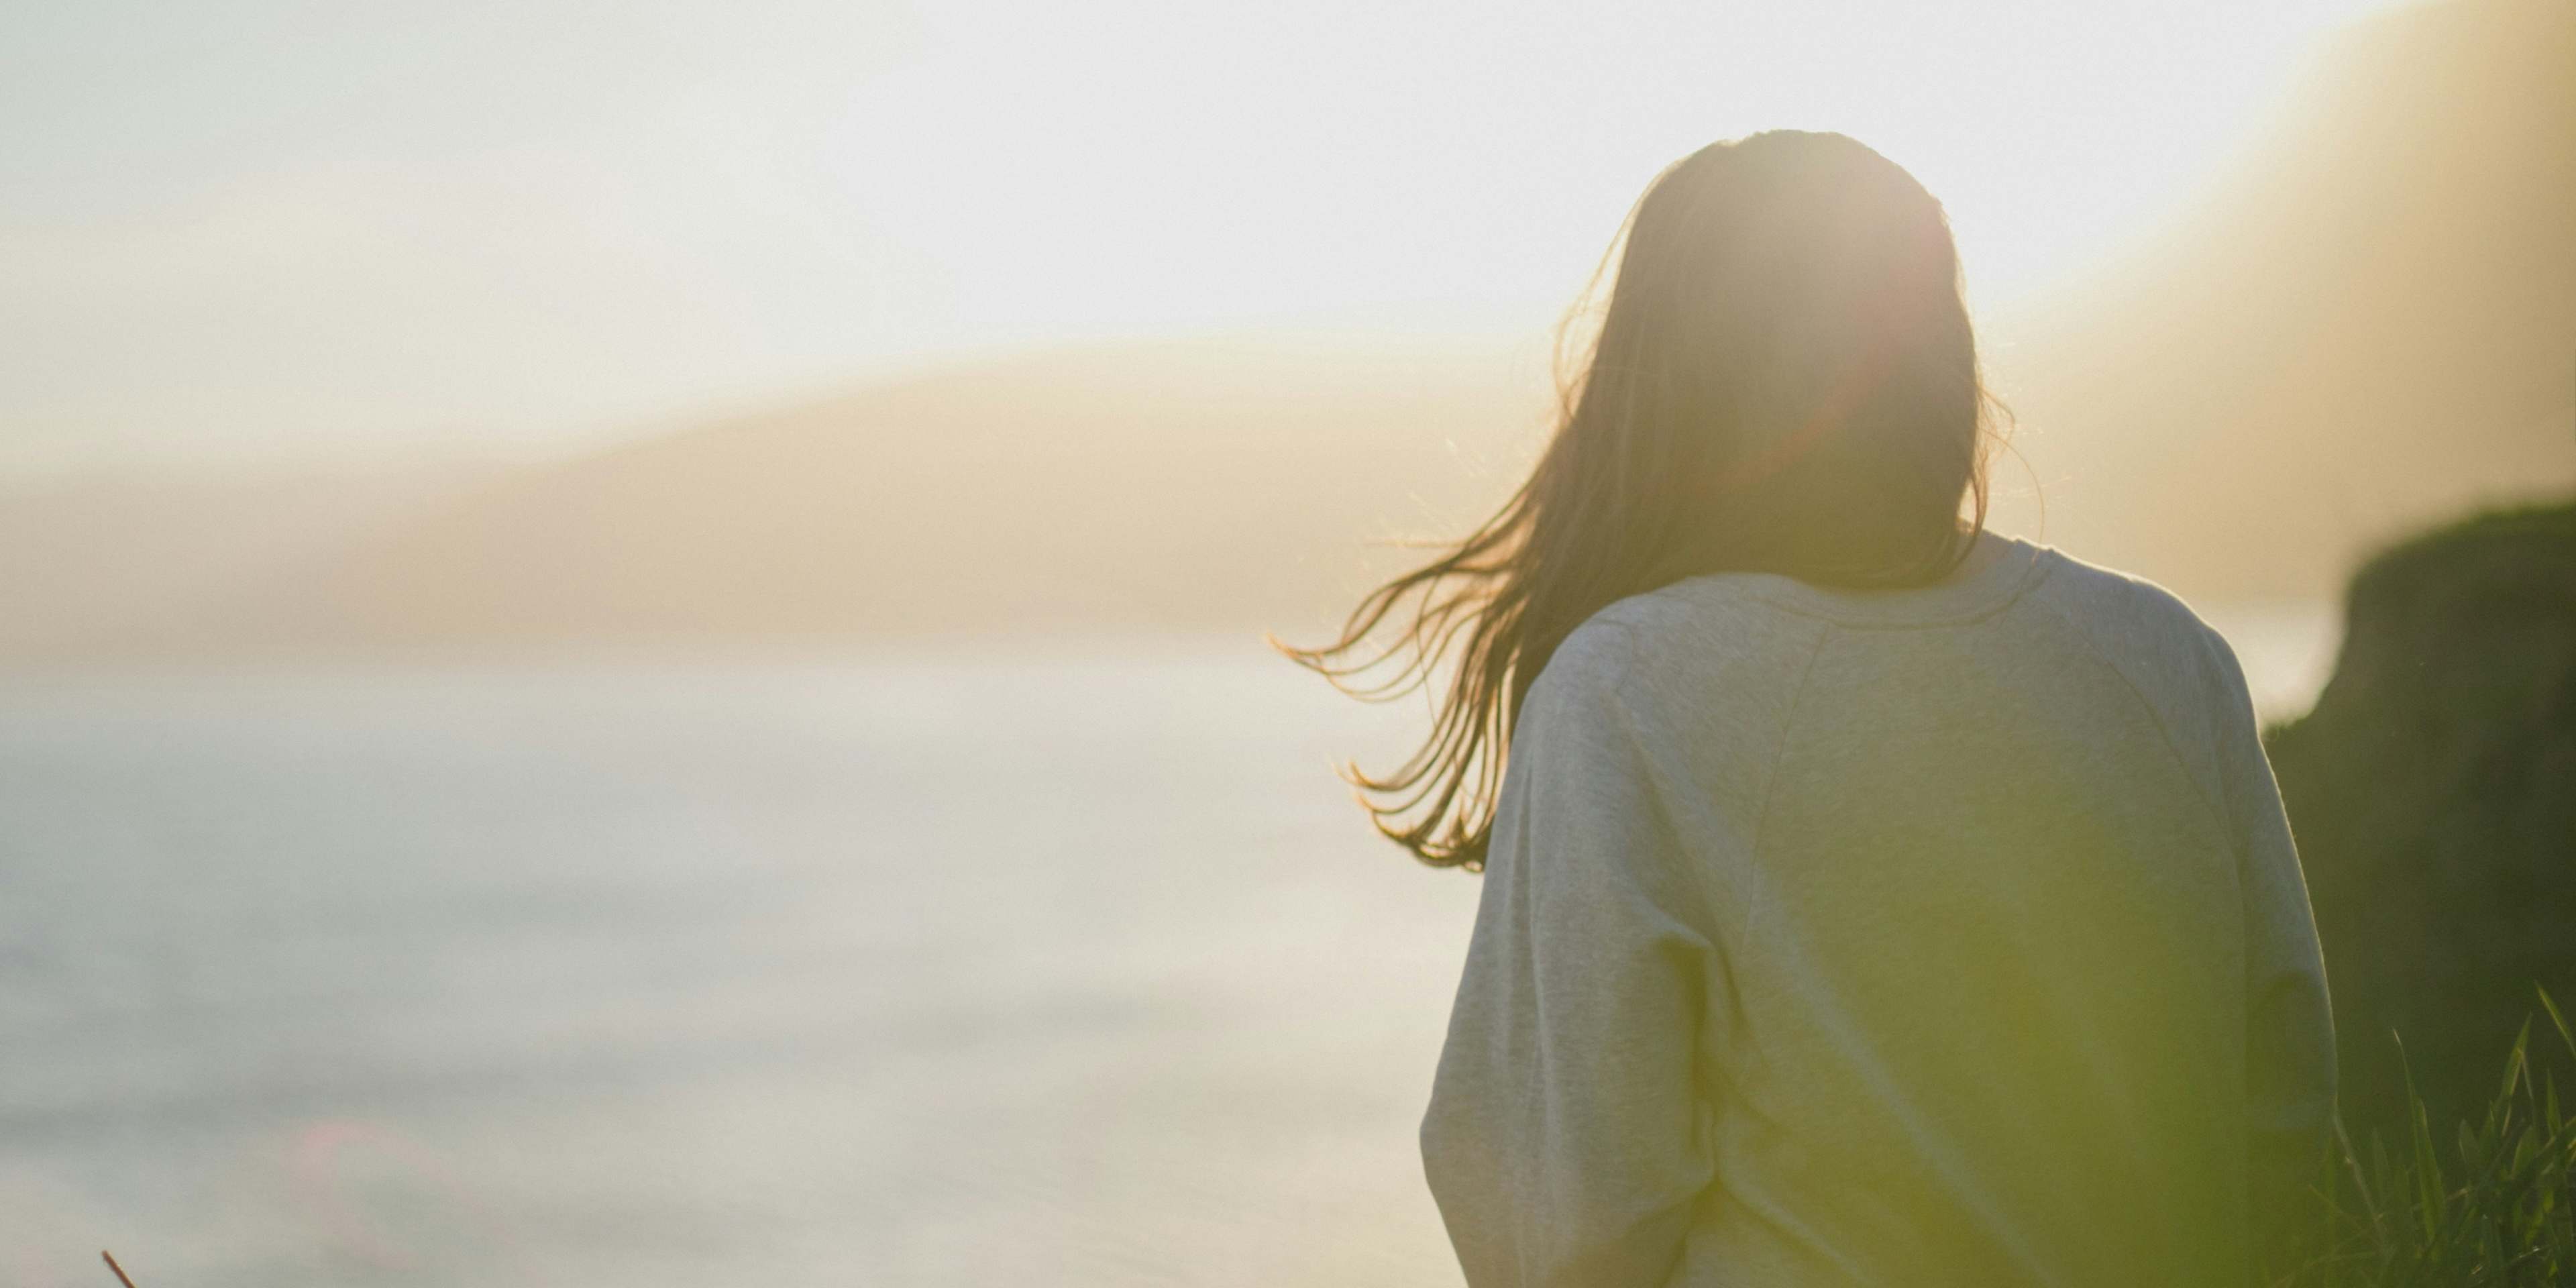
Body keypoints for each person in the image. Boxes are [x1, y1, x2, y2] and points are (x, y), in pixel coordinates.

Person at [1278, 131, 2337, 1285]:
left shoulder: (1627, 690)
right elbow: (2283, 1131)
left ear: (1663, 380)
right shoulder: (2164, 655)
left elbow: (1564, 1228)